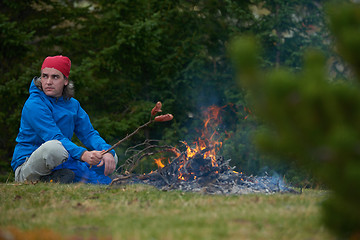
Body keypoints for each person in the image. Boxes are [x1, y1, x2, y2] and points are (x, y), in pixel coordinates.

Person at [11, 55, 117, 184]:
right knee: (54, 147)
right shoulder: (34, 104)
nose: (48, 81)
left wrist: (106, 151)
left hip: (62, 160)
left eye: (55, 77)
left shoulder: (73, 104)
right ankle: (43, 178)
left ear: (65, 81)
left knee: (111, 157)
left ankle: (58, 177)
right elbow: (54, 137)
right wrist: (83, 154)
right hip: (28, 166)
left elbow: (88, 133)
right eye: (45, 76)